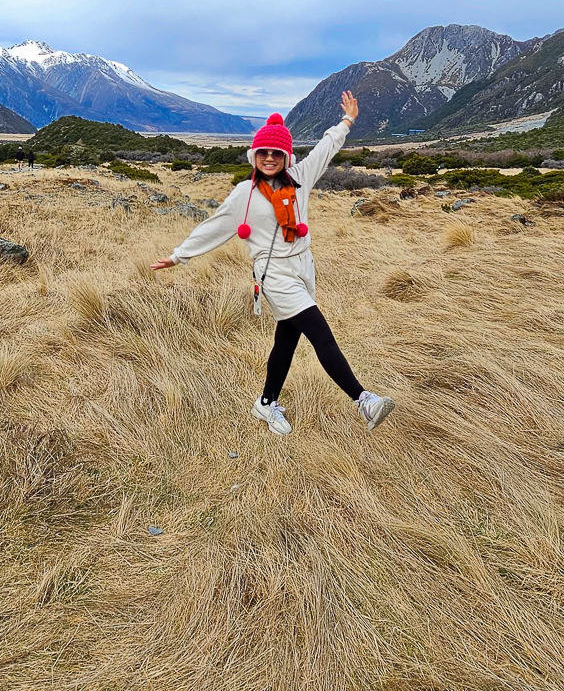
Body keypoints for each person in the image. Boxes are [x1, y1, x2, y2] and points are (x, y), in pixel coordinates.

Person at [151, 92, 395, 437]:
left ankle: (265, 403)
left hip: (303, 266)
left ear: (285, 155)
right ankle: (364, 400)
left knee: (286, 341)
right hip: (275, 274)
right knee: (319, 333)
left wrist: (347, 121)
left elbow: (326, 148)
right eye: (262, 152)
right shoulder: (243, 194)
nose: (268, 158)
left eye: (275, 153)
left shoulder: (299, 178)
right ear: (254, 155)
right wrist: (180, 255)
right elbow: (216, 226)